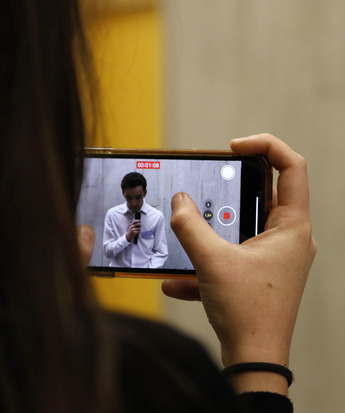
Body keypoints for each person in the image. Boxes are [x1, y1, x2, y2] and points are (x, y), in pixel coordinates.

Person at [0, 0, 315, 412]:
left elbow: (163, 256)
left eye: (137, 197)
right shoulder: (152, 372)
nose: (132, 202)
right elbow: (109, 253)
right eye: (128, 198)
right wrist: (259, 353)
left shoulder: (155, 217)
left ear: (144, 195)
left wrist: (143, 253)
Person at [103, 172, 169, 268]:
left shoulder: (157, 216)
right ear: (123, 194)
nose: (134, 203)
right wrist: (127, 238)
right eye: (129, 198)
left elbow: (161, 252)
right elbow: (107, 252)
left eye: (138, 197)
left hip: (146, 277)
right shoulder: (112, 215)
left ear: (145, 193)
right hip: (118, 276)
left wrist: (147, 272)